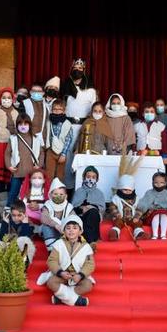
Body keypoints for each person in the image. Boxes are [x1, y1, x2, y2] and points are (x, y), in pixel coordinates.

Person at [36, 215, 95, 307]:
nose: (71, 230)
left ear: (80, 231)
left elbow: (90, 264)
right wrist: (61, 272)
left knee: (88, 285)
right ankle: (75, 300)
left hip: (77, 275)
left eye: (75, 228)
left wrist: (80, 275)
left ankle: (61, 298)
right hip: (63, 274)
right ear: (63, 231)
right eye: (68, 228)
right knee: (51, 282)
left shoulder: (86, 247)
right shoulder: (58, 244)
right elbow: (52, 261)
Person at [62, 58, 98, 190]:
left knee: (82, 156)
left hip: (85, 127)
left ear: (84, 71)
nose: (78, 70)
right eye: (75, 68)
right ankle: (68, 189)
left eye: (80, 68)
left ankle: (82, 188)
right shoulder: (66, 87)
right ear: (72, 69)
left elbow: (95, 110)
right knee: (67, 158)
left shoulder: (91, 90)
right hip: (69, 125)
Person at [4, 114, 44, 208]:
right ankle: (8, 211)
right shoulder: (13, 138)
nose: (23, 126)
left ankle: (28, 213)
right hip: (17, 172)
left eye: (25, 124)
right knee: (13, 193)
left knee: (30, 194)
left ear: (29, 125)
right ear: (17, 125)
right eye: (20, 124)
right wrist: (9, 165)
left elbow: (42, 153)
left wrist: (39, 165)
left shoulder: (35, 139)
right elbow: (7, 153)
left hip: (31, 173)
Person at [0, 199, 36, 269]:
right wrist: (5, 223)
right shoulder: (8, 221)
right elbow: (2, 237)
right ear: (10, 214)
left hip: (22, 251)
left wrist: (25, 224)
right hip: (10, 247)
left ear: (24, 214)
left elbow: (25, 239)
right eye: (14, 215)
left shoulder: (29, 224)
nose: (16, 218)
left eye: (19, 215)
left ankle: (19, 267)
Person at [136, 172, 167, 240]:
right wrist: (138, 215)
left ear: (165, 183)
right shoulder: (149, 192)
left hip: (165, 212)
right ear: (152, 182)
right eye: (156, 182)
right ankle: (155, 234)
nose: (158, 185)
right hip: (152, 213)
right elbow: (144, 203)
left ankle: (163, 234)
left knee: (164, 214)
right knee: (156, 215)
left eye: (161, 182)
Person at [71, 166, 106, 248]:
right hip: (81, 216)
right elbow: (73, 207)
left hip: (94, 216)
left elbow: (102, 208)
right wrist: (82, 208)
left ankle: (88, 241)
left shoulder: (99, 193)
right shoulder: (79, 191)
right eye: (88, 177)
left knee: (93, 213)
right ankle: (91, 241)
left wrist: (91, 207)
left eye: (93, 177)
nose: (91, 179)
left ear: (97, 179)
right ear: (84, 178)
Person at [108, 174, 147, 241]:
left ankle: (139, 234)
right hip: (120, 217)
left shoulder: (136, 198)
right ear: (120, 189)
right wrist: (117, 214)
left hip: (132, 218)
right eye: (125, 190)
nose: (127, 192)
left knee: (138, 223)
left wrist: (137, 217)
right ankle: (114, 233)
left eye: (130, 190)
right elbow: (112, 207)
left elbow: (139, 208)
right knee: (118, 223)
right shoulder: (116, 198)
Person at [40, 178, 75, 250]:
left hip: (64, 232)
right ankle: (51, 250)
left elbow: (74, 219)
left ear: (66, 196)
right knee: (45, 227)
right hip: (51, 232)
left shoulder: (68, 206)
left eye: (61, 194)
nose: (58, 196)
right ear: (50, 195)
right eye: (55, 194)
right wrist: (55, 225)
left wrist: (65, 228)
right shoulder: (47, 205)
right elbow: (44, 218)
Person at [43, 98, 74, 182]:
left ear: (64, 111)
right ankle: (48, 192)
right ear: (51, 110)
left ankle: (58, 192)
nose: (56, 111)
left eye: (59, 109)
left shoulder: (67, 123)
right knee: (49, 174)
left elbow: (68, 140)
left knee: (60, 175)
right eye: (54, 109)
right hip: (50, 151)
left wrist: (64, 154)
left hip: (61, 153)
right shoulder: (49, 121)